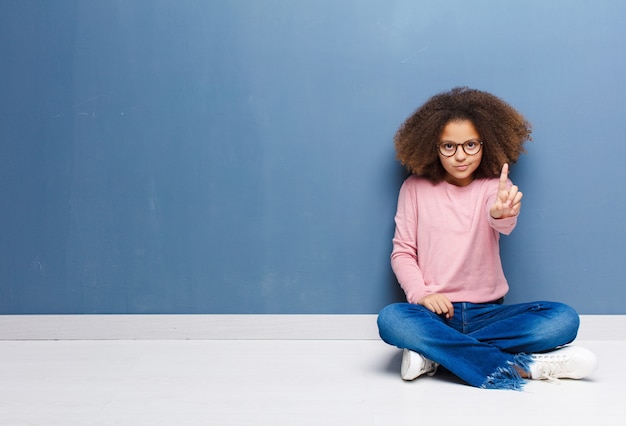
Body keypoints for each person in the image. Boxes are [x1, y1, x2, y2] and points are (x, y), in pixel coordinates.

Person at [377, 87, 598, 390]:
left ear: (485, 143)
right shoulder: (414, 188)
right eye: (448, 146)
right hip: (434, 314)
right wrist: (421, 294)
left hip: (491, 314)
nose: (460, 156)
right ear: (433, 146)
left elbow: (502, 220)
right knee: (392, 319)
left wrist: (502, 212)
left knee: (563, 319)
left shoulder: (495, 187)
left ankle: (435, 355)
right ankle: (526, 367)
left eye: (470, 145)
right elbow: (402, 253)